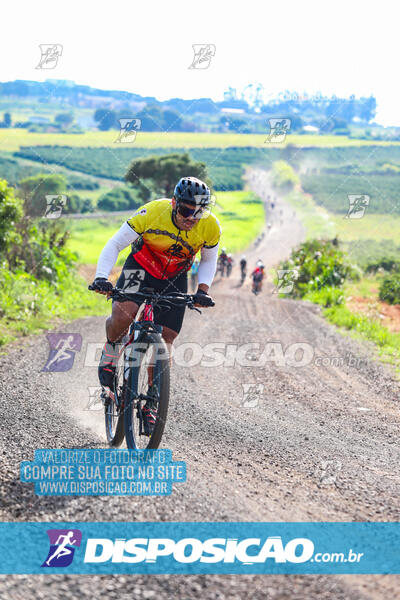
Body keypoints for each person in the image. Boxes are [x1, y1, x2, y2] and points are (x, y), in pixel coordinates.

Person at [90, 177, 221, 434]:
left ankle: (151, 399)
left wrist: (202, 290)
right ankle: (110, 352)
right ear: (174, 204)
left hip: (174, 275)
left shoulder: (210, 226)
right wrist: (102, 277)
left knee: (168, 337)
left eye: (199, 211)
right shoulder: (153, 212)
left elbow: (209, 259)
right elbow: (116, 243)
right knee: (122, 315)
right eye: (186, 210)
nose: (192, 218)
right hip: (141, 266)